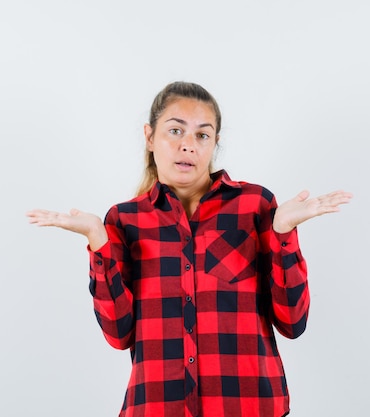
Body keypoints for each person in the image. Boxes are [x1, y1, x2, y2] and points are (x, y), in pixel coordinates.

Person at [27, 81, 352, 417]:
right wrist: (98, 239)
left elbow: (292, 321)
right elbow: (118, 333)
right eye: (175, 131)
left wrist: (283, 231)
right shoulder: (124, 221)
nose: (188, 146)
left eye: (202, 135)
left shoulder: (255, 206)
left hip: (249, 406)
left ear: (215, 144)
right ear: (150, 137)